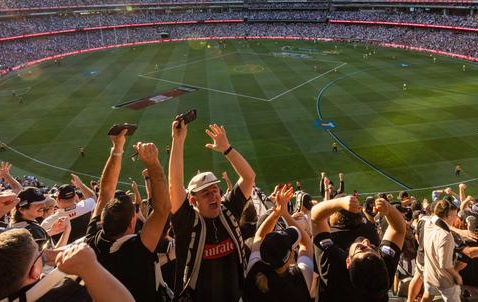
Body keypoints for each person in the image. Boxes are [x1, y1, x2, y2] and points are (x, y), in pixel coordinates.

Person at [168, 119, 256, 301]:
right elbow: (175, 185)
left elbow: (249, 178)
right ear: (193, 200)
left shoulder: (228, 211)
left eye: (215, 190)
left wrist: (227, 149)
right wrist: (178, 140)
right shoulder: (187, 222)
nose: (213, 196)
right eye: (206, 193)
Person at [85, 129, 172, 301]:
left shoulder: (91, 240)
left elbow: (105, 193)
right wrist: (153, 163)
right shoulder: (138, 249)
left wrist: (117, 148)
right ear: (133, 221)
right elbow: (162, 208)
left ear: (102, 220)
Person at [0, 229, 135, 302]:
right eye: (40, 253)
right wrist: (91, 267)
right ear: (34, 272)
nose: (44, 253)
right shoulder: (69, 294)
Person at [312, 195, 406, 302]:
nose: (366, 241)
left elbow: (315, 219)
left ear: (348, 262)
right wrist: (388, 209)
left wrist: (339, 203)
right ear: (381, 259)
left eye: (361, 248)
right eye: (374, 248)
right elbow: (399, 230)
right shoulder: (382, 271)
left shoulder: (333, 268)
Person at [243, 184, 313, 302]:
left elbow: (259, 236)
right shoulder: (299, 279)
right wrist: (284, 213)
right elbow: (306, 243)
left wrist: (276, 213)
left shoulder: (253, 272)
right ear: (290, 256)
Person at [423, 200, 462, 302]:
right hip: (444, 279)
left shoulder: (428, 222)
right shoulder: (446, 236)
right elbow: (445, 264)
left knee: (427, 297)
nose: (456, 217)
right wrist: (457, 276)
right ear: (448, 216)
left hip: (429, 273)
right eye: (455, 215)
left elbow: (437, 219)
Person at [41, 174, 96, 244]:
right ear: (75, 196)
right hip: (88, 249)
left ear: (58, 200)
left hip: (65, 254)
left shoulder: (48, 222)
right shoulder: (87, 207)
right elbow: (93, 197)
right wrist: (80, 185)